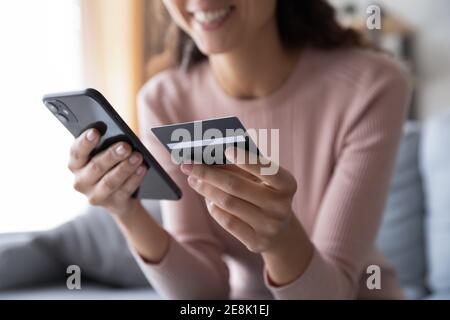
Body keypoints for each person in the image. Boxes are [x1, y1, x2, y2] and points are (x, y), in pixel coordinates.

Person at [67, 0, 411, 299]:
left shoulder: (372, 85)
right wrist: (127, 212)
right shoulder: (164, 100)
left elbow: (333, 291)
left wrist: (280, 241)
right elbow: (204, 294)